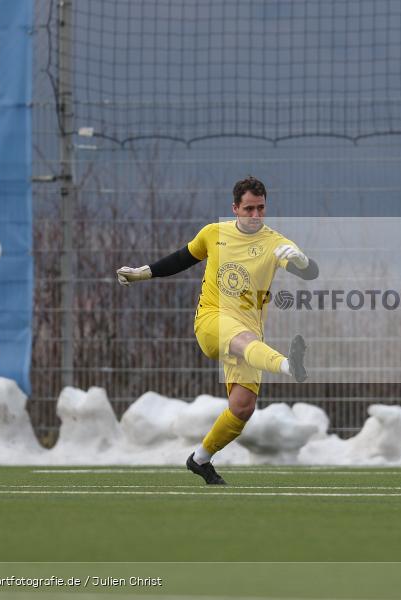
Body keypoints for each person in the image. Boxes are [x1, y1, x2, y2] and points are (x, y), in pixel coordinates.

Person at [116, 176, 319, 485]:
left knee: (242, 408)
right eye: (248, 209)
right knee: (245, 340)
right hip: (212, 321)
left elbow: (310, 273)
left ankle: (200, 459)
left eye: (260, 208)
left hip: (249, 334)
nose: (255, 215)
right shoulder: (214, 234)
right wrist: (142, 273)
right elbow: (181, 259)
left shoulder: (276, 243)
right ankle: (290, 365)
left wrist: (302, 261)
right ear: (234, 208)